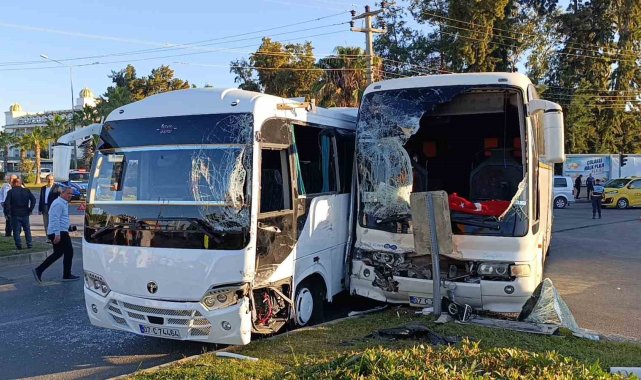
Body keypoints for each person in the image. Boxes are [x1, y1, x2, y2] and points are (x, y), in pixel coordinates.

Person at [32, 186, 80, 282]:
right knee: (68, 252)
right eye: (68, 193)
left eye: (71, 194)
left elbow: (61, 219)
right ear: (62, 193)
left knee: (58, 253)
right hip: (59, 232)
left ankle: (39, 270)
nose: (70, 196)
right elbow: (54, 219)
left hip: (61, 231)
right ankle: (66, 275)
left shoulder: (62, 203)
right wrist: (57, 234)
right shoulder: (58, 204)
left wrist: (69, 228)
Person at [4, 178, 36, 249]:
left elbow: (7, 203)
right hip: (25, 212)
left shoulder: (11, 192)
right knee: (27, 229)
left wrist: (8, 212)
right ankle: (29, 243)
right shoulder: (27, 191)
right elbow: (33, 200)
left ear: (14, 183)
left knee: (16, 230)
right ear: (21, 183)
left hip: (14, 213)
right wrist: (30, 209)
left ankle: (19, 245)